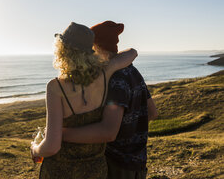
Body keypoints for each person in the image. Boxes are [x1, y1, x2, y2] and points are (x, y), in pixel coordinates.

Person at [30, 22, 138, 179]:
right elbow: (132, 53)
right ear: (89, 51)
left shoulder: (55, 87)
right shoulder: (104, 72)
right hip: (96, 171)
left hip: (60, 171)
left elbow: (52, 146)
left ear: (62, 50)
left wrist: (35, 149)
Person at [62, 21, 158, 179]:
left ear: (97, 48)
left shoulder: (114, 80)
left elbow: (108, 132)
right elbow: (152, 112)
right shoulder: (132, 71)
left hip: (117, 165)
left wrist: (62, 135)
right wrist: (131, 128)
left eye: (91, 49)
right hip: (138, 162)